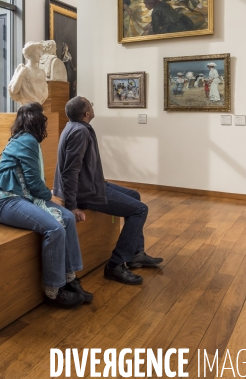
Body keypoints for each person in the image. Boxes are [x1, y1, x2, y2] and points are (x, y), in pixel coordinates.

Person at [0, 102, 92, 308]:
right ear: (38, 123)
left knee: (69, 218)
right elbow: (34, 182)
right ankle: (54, 290)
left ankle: (70, 278)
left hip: (20, 196)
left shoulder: (21, 139)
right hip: (6, 200)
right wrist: (50, 196)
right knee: (54, 228)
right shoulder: (27, 141)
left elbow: (31, 183)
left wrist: (47, 196)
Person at [53, 97, 163, 286]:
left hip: (93, 185)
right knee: (140, 209)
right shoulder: (80, 132)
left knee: (134, 196)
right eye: (91, 105)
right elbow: (70, 171)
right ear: (86, 113)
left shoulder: (73, 127)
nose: (93, 107)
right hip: (86, 193)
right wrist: (71, 205)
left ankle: (136, 254)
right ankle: (115, 264)